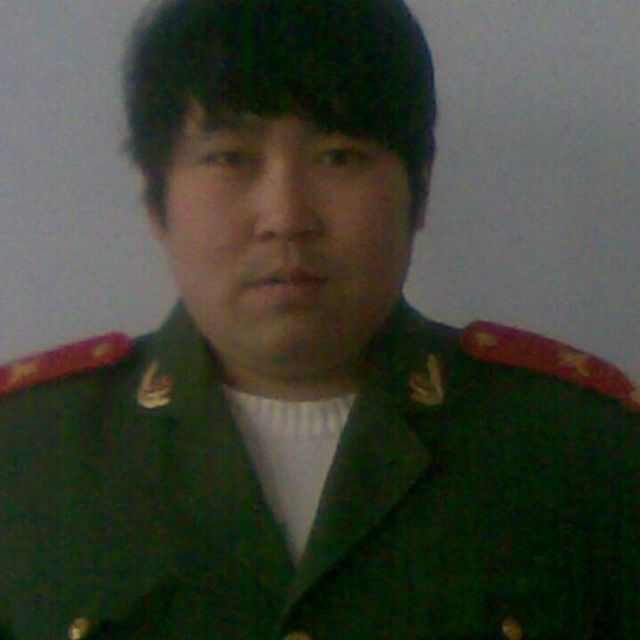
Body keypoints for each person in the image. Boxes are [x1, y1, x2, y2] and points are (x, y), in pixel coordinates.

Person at [1, 0, 638, 637]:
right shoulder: (25, 453)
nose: (286, 216)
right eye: (230, 157)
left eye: (339, 156)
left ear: (418, 192)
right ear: (155, 199)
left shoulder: (582, 449)